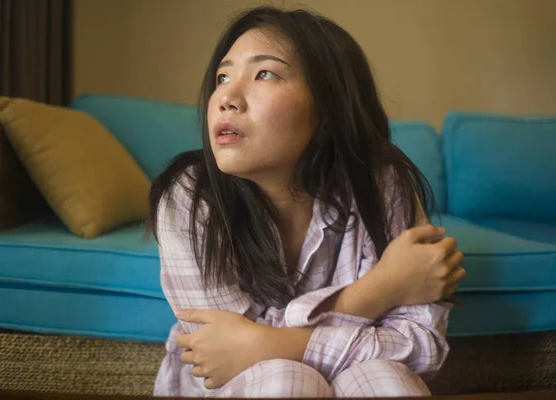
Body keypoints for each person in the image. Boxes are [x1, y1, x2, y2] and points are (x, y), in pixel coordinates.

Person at [147, 5, 466, 398]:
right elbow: (221, 359)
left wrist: (266, 341)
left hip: (364, 376)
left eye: (265, 73)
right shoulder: (188, 196)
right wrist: (381, 289)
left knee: (387, 379)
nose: (227, 97)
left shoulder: (383, 185)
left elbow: (421, 348)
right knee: (285, 380)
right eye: (222, 76)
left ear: (329, 109)